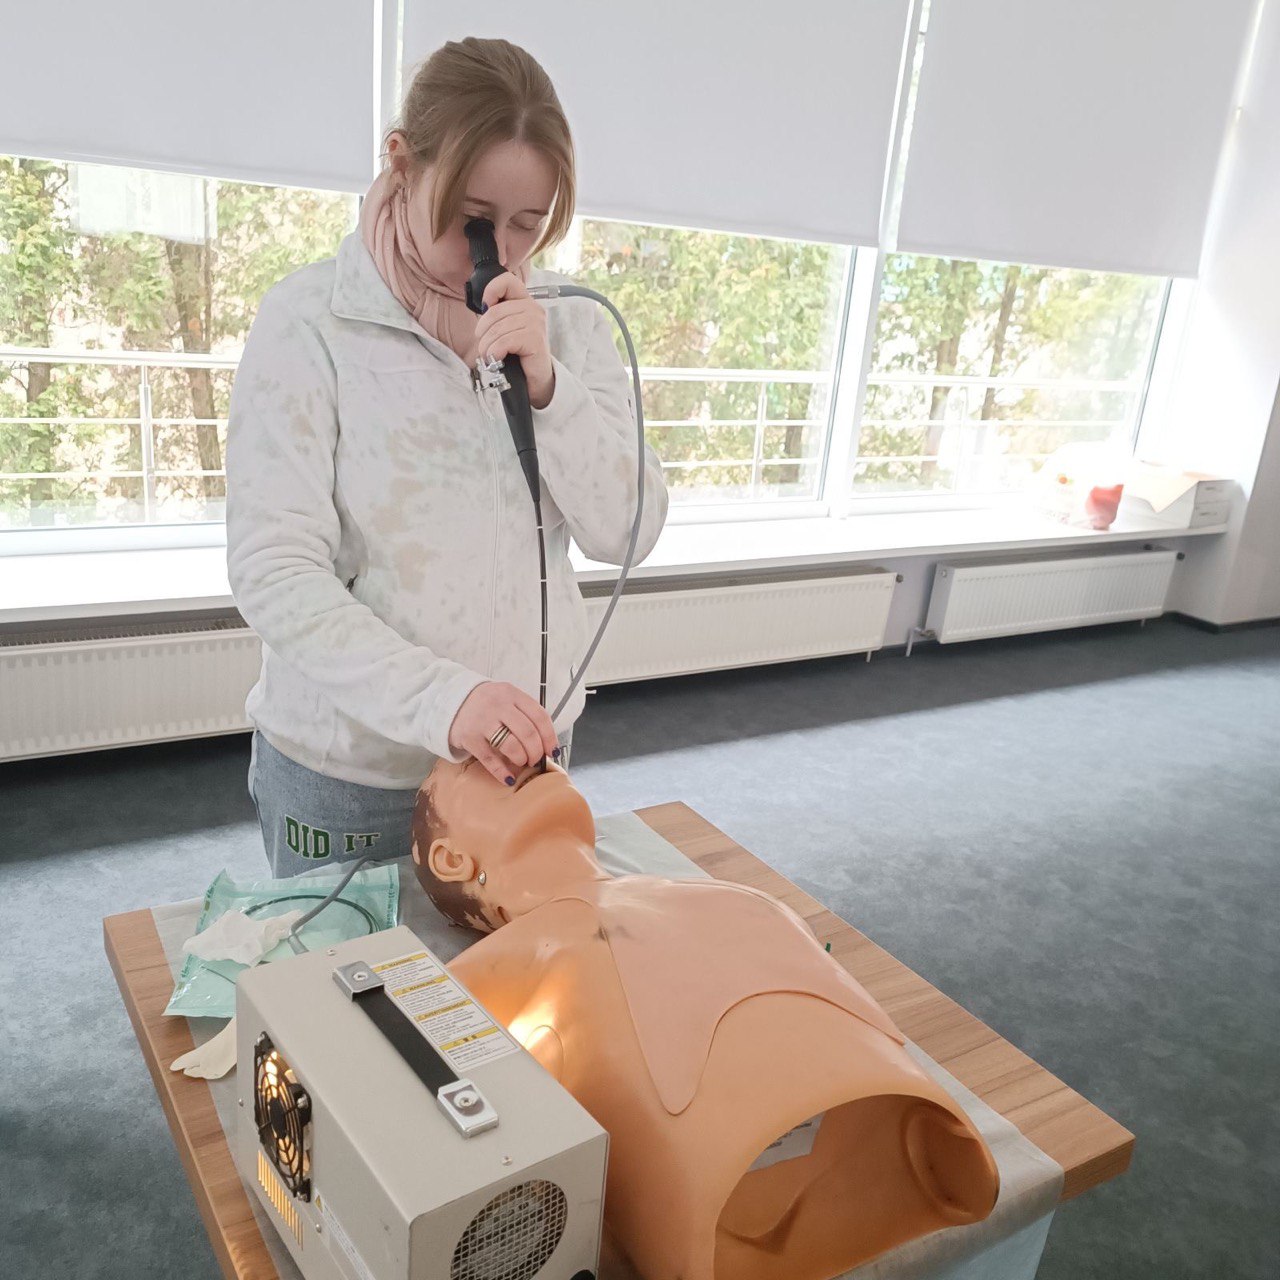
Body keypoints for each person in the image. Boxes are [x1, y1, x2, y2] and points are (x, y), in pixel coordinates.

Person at [225, 37, 668, 877]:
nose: (499, 250)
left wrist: (551, 390)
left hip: (520, 759)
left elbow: (627, 532)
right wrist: (445, 700)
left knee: (520, 961)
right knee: (354, 968)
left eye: (528, 224)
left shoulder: (568, 324)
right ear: (401, 163)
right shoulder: (310, 324)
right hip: (357, 774)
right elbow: (275, 571)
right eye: (473, 217)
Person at [411, 757, 1000, 1279]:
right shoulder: (504, 962)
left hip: (900, 1138)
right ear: (451, 858)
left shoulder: (732, 895)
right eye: (480, 763)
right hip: (797, 1193)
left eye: (538, 751)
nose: (529, 754)